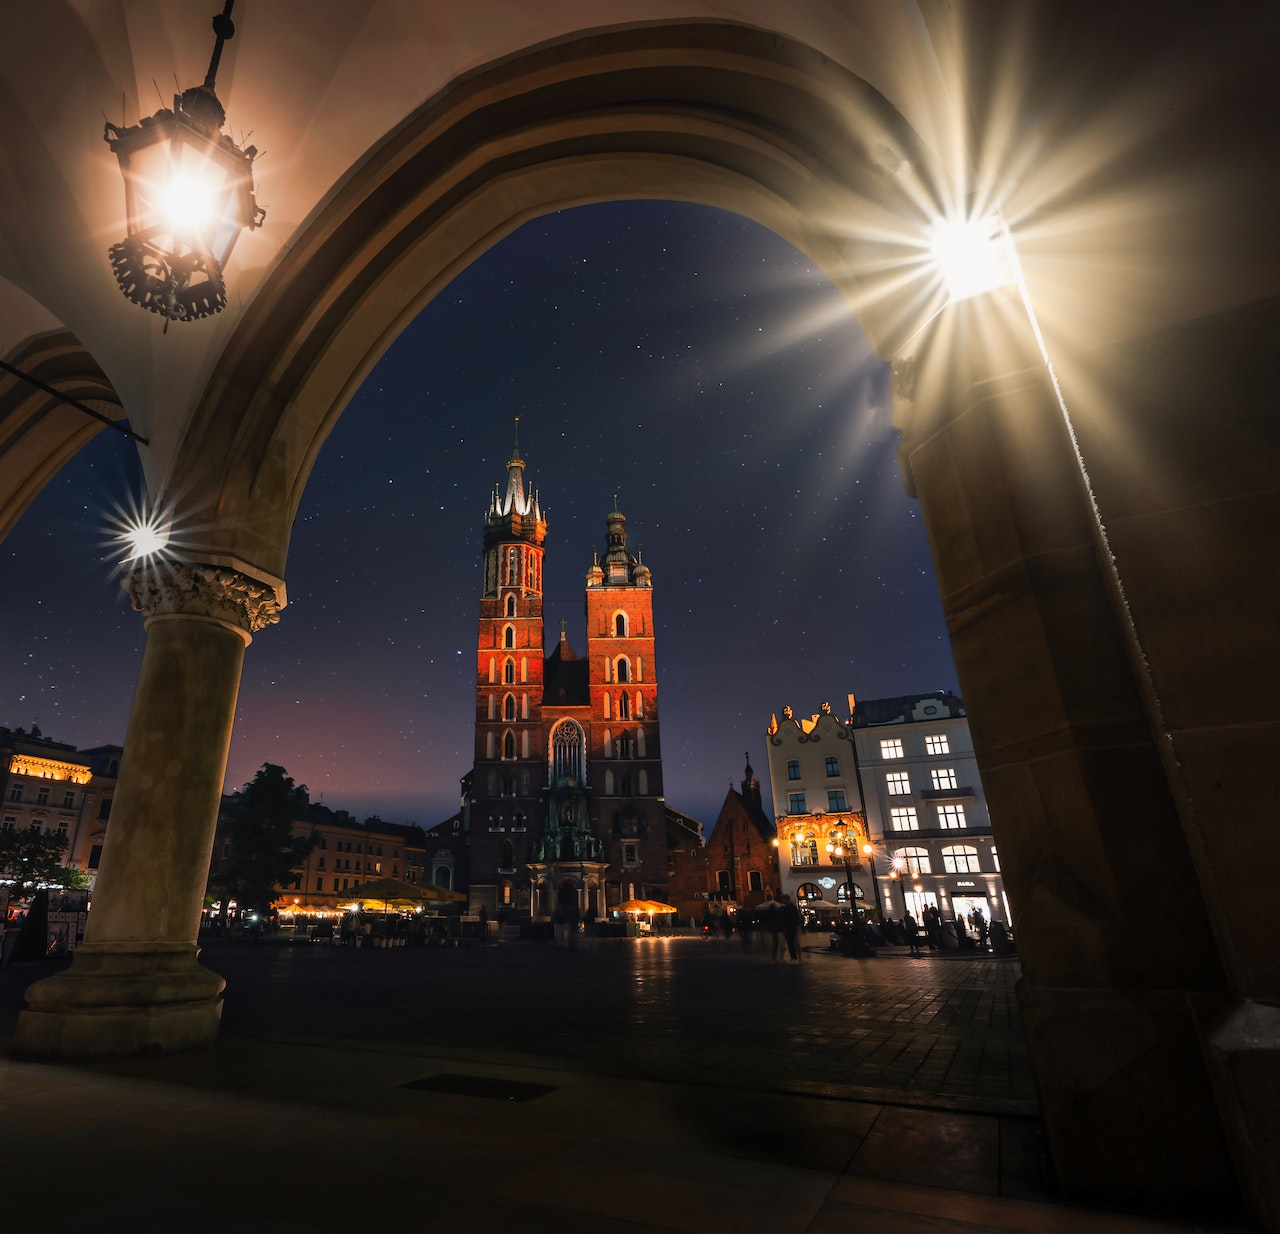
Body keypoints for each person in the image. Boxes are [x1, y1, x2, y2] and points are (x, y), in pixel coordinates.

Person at [779, 894, 801, 963]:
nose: (782, 901)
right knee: (790, 943)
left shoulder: (789, 908)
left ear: (787, 899)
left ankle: (794, 958)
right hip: (790, 927)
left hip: (790, 928)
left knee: (791, 943)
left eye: (783, 899)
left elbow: (791, 918)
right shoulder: (790, 908)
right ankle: (793, 958)